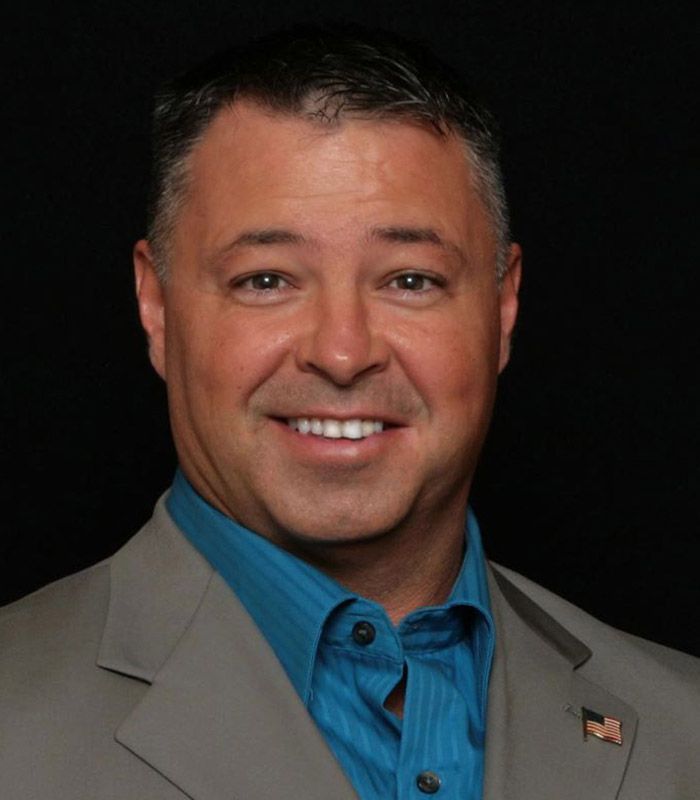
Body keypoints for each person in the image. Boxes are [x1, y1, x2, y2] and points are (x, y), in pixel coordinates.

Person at [1, 26, 698, 800]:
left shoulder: (684, 728)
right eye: (267, 280)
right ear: (156, 306)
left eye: (410, 280)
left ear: (503, 307)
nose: (342, 353)